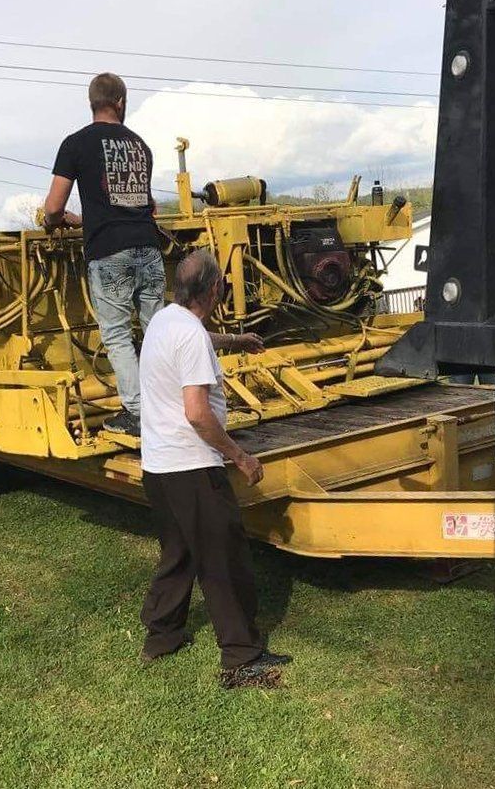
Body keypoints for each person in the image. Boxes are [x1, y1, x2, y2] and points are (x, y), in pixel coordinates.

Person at [137, 248, 292, 688]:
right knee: (225, 561)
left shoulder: (164, 321)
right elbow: (197, 413)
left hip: (159, 469)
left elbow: (197, 340)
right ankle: (242, 657)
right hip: (192, 468)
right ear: (213, 290)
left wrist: (235, 341)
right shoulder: (190, 336)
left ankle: (162, 636)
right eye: (221, 281)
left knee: (179, 553)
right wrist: (240, 457)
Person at [44, 72, 162, 437]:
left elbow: (53, 206)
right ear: (121, 102)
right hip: (149, 247)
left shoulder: (76, 144)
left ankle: (137, 414)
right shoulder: (141, 146)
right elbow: (144, 205)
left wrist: (55, 221)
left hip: (110, 252)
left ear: (92, 102)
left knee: (117, 336)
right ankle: (168, 404)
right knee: (157, 331)